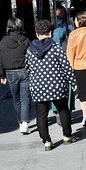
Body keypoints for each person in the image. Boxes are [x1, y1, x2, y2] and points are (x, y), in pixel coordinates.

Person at [25, 19, 76, 150]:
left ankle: (47, 141)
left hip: (38, 87)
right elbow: (66, 66)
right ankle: (67, 136)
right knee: (63, 109)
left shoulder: (30, 50)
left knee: (41, 115)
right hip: (56, 85)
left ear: (37, 34)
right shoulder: (55, 47)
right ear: (51, 33)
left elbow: (27, 68)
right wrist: (73, 81)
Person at [0, 18, 32, 135]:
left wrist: (1, 74)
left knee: (16, 99)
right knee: (25, 97)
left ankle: (20, 122)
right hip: (24, 70)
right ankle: (25, 123)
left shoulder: (3, 41)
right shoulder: (25, 39)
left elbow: (0, 59)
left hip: (10, 72)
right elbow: (32, 55)